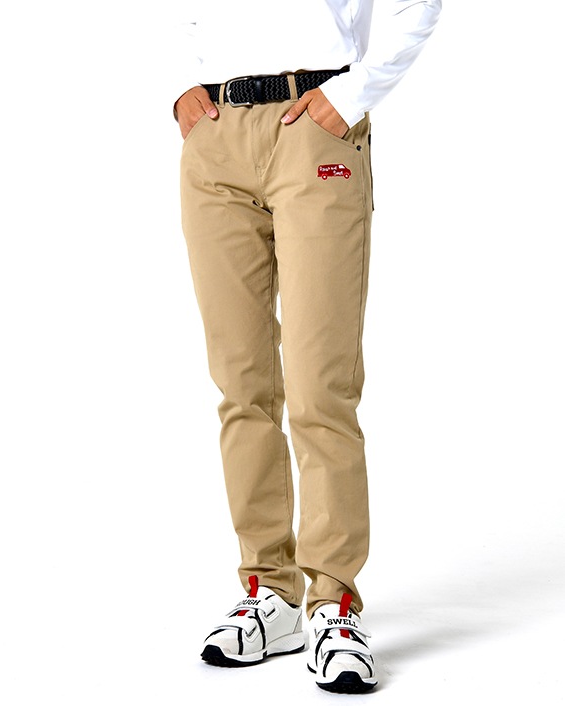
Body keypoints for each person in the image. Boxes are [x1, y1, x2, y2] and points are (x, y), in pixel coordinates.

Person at [172, 0, 441, 694]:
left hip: (316, 121)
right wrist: (178, 87)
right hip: (216, 134)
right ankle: (270, 591)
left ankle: (333, 600)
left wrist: (353, 94)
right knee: (241, 385)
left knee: (322, 386)